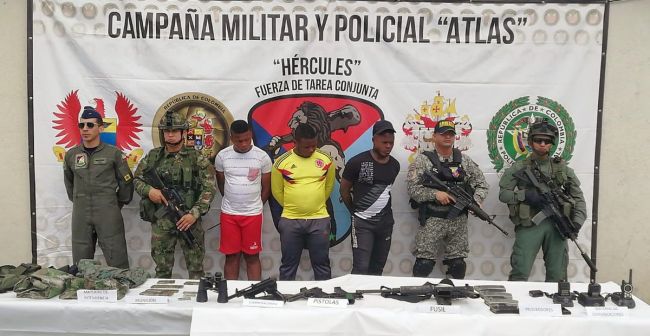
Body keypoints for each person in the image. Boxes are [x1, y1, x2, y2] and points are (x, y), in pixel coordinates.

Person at [499, 119, 586, 282]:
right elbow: (503, 194)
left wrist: (577, 222)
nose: (543, 144)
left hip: (557, 226)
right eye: (538, 140)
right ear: (531, 142)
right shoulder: (519, 168)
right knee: (520, 271)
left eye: (547, 141)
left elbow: (579, 199)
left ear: (552, 144)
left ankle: (558, 305)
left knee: (558, 275)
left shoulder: (562, 169)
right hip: (530, 225)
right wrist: (525, 195)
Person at [133, 111, 216, 279]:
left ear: (184, 133)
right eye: (166, 131)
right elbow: (137, 179)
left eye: (174, 131)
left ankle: (196, 301)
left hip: (188, 220)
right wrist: (150, 191)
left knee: (196, 270)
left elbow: (209, 188)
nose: (170, 135)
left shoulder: (196, 158)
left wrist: (194, 214)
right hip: (162, 221)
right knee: (162, 270)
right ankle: (162, 303)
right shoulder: (153, 156)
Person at [407, 119, 488, 279]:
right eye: (443, 134)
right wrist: (435, 194)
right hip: (432, 219)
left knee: (458, 265)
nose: (447, 137)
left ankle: (455, 296)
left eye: (451, 134)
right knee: (423, 264)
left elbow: (482, 184)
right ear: (434, 136)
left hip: (458, 220)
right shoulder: (423, 160)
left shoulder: (464, 160)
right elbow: (412, 188)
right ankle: (417, 296)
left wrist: (476, 200)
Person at [63, 106, 134, 269]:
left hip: (108, 212)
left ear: (101, 128)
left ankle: (120, 291)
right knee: (81, 263)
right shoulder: (71, 155)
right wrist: (79, 200)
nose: (85, 129)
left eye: (90, 125)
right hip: (81, 214)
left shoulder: (114, 154)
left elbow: (126, 182)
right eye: (82, 125)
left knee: (117, 259)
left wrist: (116, 204)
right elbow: (69, 183)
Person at [271, 123, 336, 280]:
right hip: (290, 220)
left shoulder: (326, 159)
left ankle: (324, 299)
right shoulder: (281, 162)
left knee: (322, 264)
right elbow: (277, 191)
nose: (312, 150)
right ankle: (285, 297)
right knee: (288, 265)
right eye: (307, 147)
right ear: (295, 141)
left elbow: (329, 187)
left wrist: (315, 204)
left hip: (319, 219)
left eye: (314, 145)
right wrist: (295, 207)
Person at [340, 120, 400, 275]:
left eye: (391, 143)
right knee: (361, 268)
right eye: (384, 142)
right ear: (374, 140)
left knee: (377, 268)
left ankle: (372, 299)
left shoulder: (395, 165)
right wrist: (354, 211)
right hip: (362, 224)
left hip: (385, 224)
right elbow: (344, 190)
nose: (388, 146)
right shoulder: (357, 162)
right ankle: (356, 296)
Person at [215, 120, 272, 280]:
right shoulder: (222, 156)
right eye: (239, 140)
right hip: (229, 214)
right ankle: (230, 294)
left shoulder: (262, 157)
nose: (244, 143)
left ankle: (255, 292)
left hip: (253, 215)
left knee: (252, 256)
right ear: (232, 138)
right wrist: (233, 201)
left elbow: (267, 188)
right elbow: (221, 183)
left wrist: (255, 206)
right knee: (231, 256)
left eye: (248, 139)